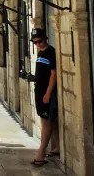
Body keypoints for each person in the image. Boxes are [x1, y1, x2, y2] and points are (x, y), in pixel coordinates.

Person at [31, 28, 60, 166]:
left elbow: (53, 74)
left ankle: (41, 153)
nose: (38, 44)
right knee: (50, 121)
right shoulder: (40, 52)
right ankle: (55, 148)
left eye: (40, 41)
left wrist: (48, 93)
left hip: (46, 93)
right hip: (39, 91)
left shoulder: (51, 52)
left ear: (45, 38)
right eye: (35, 42)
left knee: (45, 122)